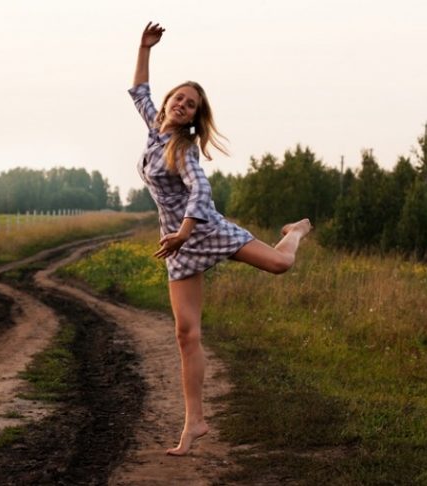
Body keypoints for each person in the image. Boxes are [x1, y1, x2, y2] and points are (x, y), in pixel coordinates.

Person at [129, 22, 312, 456]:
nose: (183, 106)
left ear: (194, 118)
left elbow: (201, 190)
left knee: (280, 265)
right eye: (180, 99)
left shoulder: (184, 149)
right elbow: (138, 92)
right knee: (185, 333)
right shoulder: (155, 131)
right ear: (170, 102)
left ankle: (296, 230)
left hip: (202, 230)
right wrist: (143, 47)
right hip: (176, 241)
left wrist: (184, 232)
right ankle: (195, 423)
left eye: (191, 106)